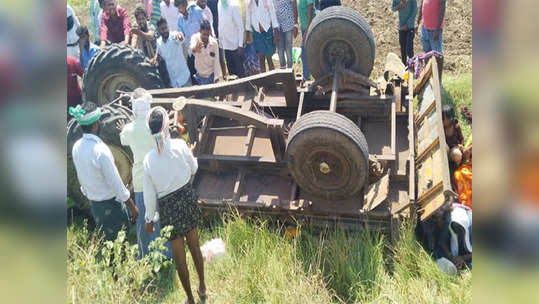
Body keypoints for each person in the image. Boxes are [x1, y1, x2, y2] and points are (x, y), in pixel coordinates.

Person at [143, 107, 206, 304]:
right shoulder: (180, 145)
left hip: (167, 207)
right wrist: (190, 155)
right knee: (195, 247)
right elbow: (194, 168)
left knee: (179, 258)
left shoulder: (148, 160)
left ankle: (189, 298)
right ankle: (202, 287)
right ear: (166, 127)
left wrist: (149, 219)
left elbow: (149, 194)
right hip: (186, 198)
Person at [69, 101, 139, 241]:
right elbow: (115, 182)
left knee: (108, 239)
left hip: (95, 204)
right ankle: (118, 262)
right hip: (111, 204)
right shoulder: (101, 151)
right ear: (95, 125)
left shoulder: (76, 146)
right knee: (120, 242)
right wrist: (132, 206)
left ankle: (113, 261)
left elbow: (81, 176)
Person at [119, 89, 173, 259]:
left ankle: (146, 254)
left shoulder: (129, 129)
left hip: (141, 180)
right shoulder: (157, 126)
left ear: (134, 108)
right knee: (162, 218)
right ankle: (166, 254)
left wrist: (124, 126)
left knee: (146, 219)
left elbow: (122, 139)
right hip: (160, 178)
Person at [151, 17, 192, 88]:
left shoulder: (174, 36)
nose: (165, 30)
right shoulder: (159, 42)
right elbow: (158, 52)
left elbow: (180, 37)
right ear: (158, 30)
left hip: (184, 78)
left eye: (166, 27)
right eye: (162, 29)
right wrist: (154, 58)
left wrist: (180, 36)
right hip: (174, 82)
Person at [175, 0, 206, 84]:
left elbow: (206, 25)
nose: (179, 10)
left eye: (180, 7)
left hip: (202, 49)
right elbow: (180, 32)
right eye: (177, 8)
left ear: (185, 4)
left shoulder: (197, 11)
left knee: (205, 74)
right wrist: (180, 36)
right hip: (191, 52)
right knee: (194, 76)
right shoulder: (180, 18)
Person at [245, 0, 279, 73]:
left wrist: (276, 30)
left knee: (269, 57)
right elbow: (248, 17)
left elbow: (272, 13)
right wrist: (248, 31)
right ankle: (264, 81)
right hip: (257, 33)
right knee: (261, 58)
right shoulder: (249, 2)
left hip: (267, 31)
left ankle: (272, 80)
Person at [218, 0, 245, 78]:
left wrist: (240, 45)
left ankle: (244, 90)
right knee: (231, 74)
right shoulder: (219, 3)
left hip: (235, 46)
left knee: (240, 73)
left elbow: (240, 27)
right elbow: (221, 23)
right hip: (226, 46)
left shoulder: (234, 5)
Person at [191, 20, 222, 85]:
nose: (206, 37)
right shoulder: (195, 38)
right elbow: (192, 49)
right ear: (200, 31)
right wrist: (196, 48)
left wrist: (216, 79)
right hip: (200, 77)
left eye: (208, 35)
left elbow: (216, 62)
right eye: (204, 34)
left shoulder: (214, 43)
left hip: (211, 76)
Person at [274, 0, 299, 70]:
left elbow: (294, 4)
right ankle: (283, 71)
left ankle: (290, 71)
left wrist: (296, 24)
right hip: (277, 26)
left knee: (288, 49)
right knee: (280, 50)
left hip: (289, 23)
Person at [392, 0, 417, 65]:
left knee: (409, 48)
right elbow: (393, 8)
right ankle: (404, 68)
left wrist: (408, 24)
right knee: (403, 49)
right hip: (401, 27)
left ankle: (412, 66)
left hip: (410, 27)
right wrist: (400, 5)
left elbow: (414, 11)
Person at [297, 0, 315, 81]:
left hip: (310, 26)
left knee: (304, 52)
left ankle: (306, 77)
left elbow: (310, 8)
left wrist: (308, 29)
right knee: (305, 52)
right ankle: (306, 76)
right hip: (305, 27)